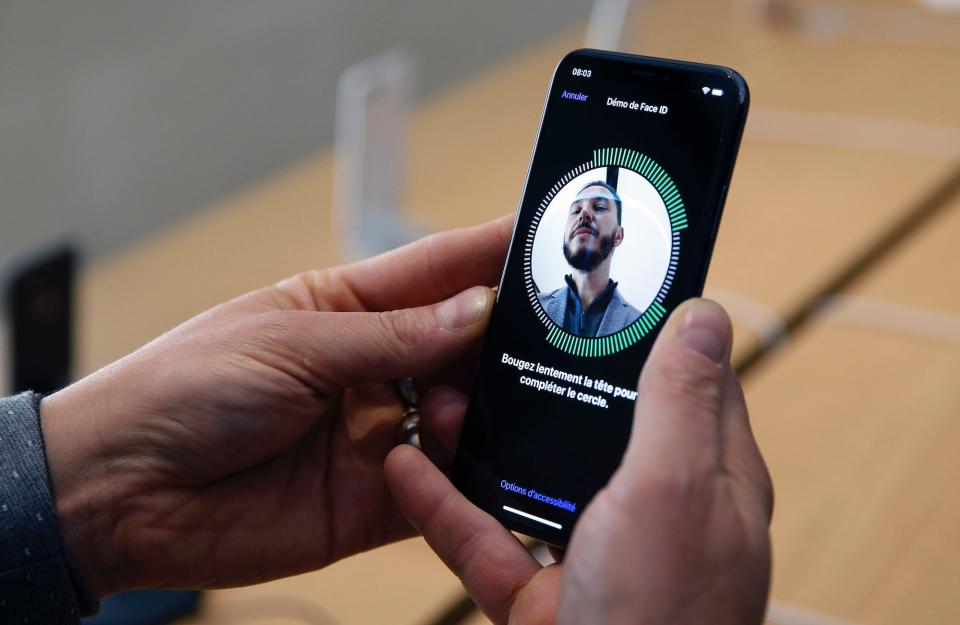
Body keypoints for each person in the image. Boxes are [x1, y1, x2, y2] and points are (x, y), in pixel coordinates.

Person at [0, 216, 772, 625]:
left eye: (602, 208)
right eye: (578, 206)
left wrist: (87, 497)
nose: (582, 217)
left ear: (624, 234)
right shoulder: (547, 307)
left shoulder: (627, 317)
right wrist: (91, 499)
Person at [538, 181, 642, 337]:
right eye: (576, 210)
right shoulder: (528, 307)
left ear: (618, 236)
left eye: (600, 207)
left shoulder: (641, 327)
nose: (584, 213)